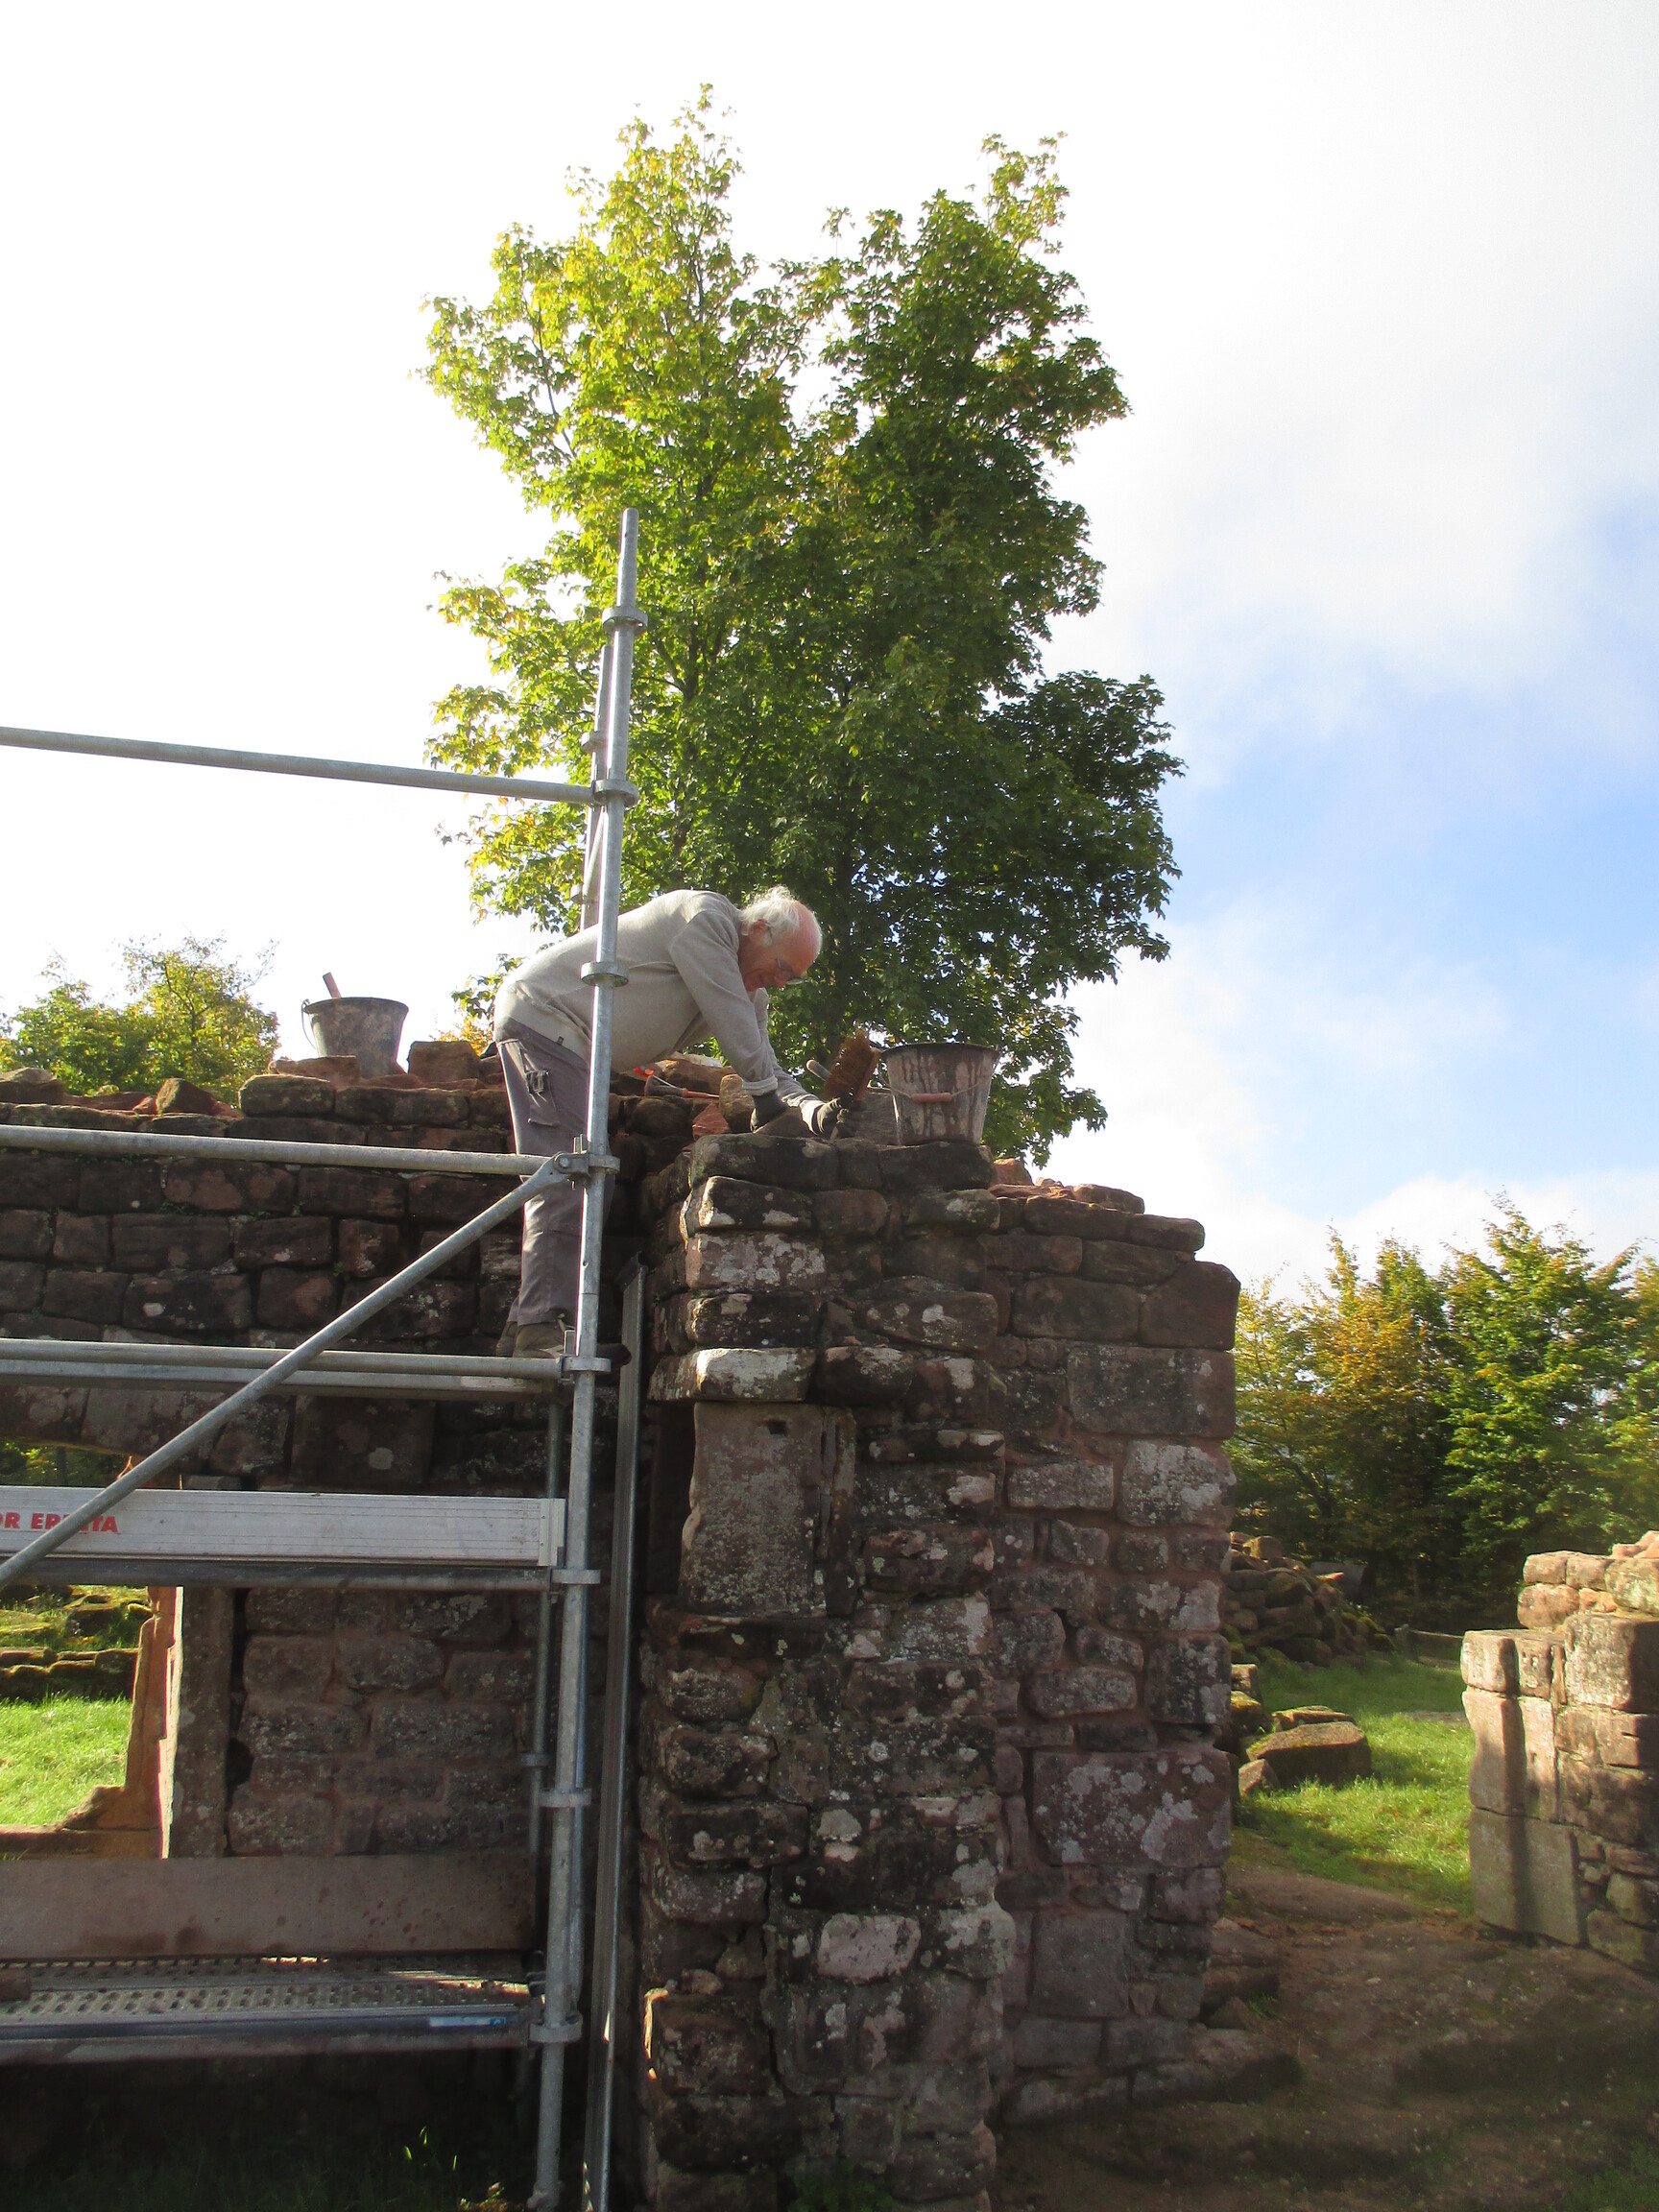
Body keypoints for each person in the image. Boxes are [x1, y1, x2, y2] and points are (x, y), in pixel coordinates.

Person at [493, 885, 833, 1357]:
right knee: (572, 1175)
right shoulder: (706, 920)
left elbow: (767, 1066)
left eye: (789, 979)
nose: (779, 983)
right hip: (545, 1018)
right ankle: (538, 1332)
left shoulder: (747, 990)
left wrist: (814, 1110)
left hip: (573, 1044)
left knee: (586, 1176)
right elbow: (738, 1033)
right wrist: (767, 1103)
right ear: (757, 930)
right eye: (781, 968)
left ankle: (524, 1328)